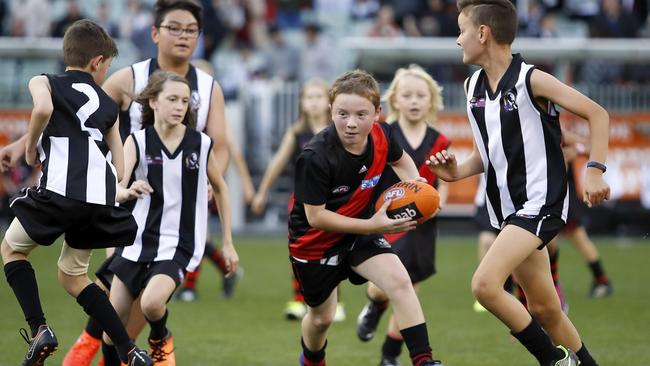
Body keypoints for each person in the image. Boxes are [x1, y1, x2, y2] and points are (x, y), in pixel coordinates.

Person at [427, 1, 610, 365]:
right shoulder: (472, 86)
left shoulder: (532, 79)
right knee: (545, 308)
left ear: (483, 33)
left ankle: (552, 360)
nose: (457, 40)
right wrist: (456, 171)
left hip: (540, 204)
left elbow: (597, 113)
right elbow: (490, 153)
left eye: (461, 30)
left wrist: (594, 169)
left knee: (484, 285)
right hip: (508, 213)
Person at [60, 1, 238, 364]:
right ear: (155, 32)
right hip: (126, 209)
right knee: (113, 294)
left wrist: (206, 181)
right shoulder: (130, 78)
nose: (183, 36)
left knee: (143, 303)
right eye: (175, 27)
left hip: (174, 217)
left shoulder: (208, 87)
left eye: (191, 30)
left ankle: (90, 351)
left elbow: (220, 148)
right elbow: (83, 119)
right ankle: (89, 349)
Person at [0, 20, 152, 366]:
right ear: (97, 62)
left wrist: (30, 147)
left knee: (11, 249)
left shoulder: (44, 81)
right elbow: (121, 162)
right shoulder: (109, 106)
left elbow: (41, 109)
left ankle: (39, 329)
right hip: (97, 201)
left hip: (59, 193)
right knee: (73, 275)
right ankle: (129, 349)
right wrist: (111, 186)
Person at [290, 69, 442, 366]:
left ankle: (424, 361)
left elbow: (401, 161)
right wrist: (373, 225)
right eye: (342, 113)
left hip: (360, 233)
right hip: (314, 244)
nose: (350, 123)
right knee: (322, 319)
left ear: (377, 113)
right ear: (330, 110)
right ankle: (311, 360)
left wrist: (419, 188)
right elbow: (316, 217)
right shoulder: (314, 157)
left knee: (401, 282)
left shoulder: (383, 134)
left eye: (361, 114)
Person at [100, 70, 238, 366]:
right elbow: (116, 186)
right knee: (111, 330)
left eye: (185, 101)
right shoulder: (137, 141)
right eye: (172, 99)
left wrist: (227, 242)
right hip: (136, 241)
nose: (179, 106)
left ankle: (160, 338)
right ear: (153, 102)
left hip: (179, 242)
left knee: (151, 303)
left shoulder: (200, 144)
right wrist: (126, 191)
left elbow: (222, 189)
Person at [354, 64, 449, 366]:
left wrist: (438, 202)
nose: (414, 101)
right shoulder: (383, 134)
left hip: (422, 224)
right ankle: (373, 306)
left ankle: (389, 354)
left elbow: (443, 179)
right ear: (394, 100)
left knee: (409, 291)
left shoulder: (439, 140)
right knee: (384, 287)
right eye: (407, 95)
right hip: (388, 220)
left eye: (421, 95)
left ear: (431, 100)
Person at [249, 78, 345, 321]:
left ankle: (336, 301)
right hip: (302, 201)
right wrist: (262, 192)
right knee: (299, 249)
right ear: (302, 102)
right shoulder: (297, 133)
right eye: (308, 97)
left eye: (318, 97)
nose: (313, 102)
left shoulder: (338, 130)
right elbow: (277, 163)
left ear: (329, 102)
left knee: (334, 249)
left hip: (334, 201)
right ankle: (299, 299)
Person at [174, 58, 253, 303]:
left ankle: (190, 287)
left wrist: (246, 185)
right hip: (180, 180)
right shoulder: (179, 114)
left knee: (196, 233)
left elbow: (232, 150)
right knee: (198, 236)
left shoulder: (212, 117)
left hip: (205, 181)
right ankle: (228, 271)